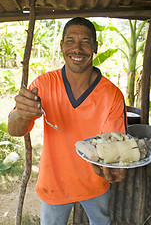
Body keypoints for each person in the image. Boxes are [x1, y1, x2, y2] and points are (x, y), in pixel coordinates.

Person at [8, 17, 127, 225]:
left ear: (96, 47)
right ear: (62, 46)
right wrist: (21, 115)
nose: (77, 48)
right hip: (54, 185)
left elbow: (112, 144)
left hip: (96, 183)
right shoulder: (43, 84)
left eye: (85, 41)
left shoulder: (112, 94)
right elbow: (15, 129)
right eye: (70, 41)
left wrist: (116, 165)